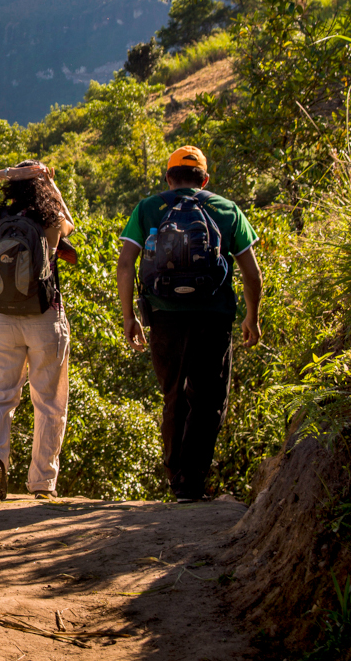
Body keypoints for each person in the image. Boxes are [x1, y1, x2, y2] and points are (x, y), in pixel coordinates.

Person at [117, 145, 263, 503]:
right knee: (209, 398)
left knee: (173, 395)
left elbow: (125, 265)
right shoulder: (226, 209)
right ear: (205, 179)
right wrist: (252, 317)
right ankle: (193, 482)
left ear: (168, 178)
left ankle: (175, 478)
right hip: (213, 317)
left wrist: (129, 318)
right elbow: (252, 273)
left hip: (164, 316)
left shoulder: (149, 207)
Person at [0, 161, 75, 501]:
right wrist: (47, 181)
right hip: (45, 317)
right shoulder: (51, 222)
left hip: (2, 318)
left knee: (0, 395)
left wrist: (8, 174)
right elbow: (69, 221)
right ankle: (42, 483)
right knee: (49, 403)